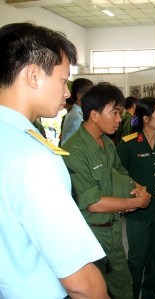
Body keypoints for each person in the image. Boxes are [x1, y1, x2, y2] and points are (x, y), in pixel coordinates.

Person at [0, 22, 108, 299]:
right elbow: (80, 281)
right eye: (63, 79)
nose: (68, 92)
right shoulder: (34, 157)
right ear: (34, 75)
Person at [62, 82, 151, 299]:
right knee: (93, 291)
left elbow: (120, 173)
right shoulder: (73, 151)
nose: (120, 120)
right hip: (89, 236)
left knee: (123, 288)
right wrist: (136, 203)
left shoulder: (107, 143)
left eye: (120, 113)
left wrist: (138, 189)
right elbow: (93, 202)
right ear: (94, 114)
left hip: (112, 232)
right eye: (114, 113)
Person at [117, 97, 155, 299]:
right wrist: (136, 189)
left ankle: (150, 295)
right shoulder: (128, 144)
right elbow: (118, 174)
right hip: (139, 212)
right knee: (136, 258)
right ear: (145, 118)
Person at [60, 77, 93, 145]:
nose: (92, 98)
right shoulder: (76, 117)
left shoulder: (78, 114)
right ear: (80, 96)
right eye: (90, 95)